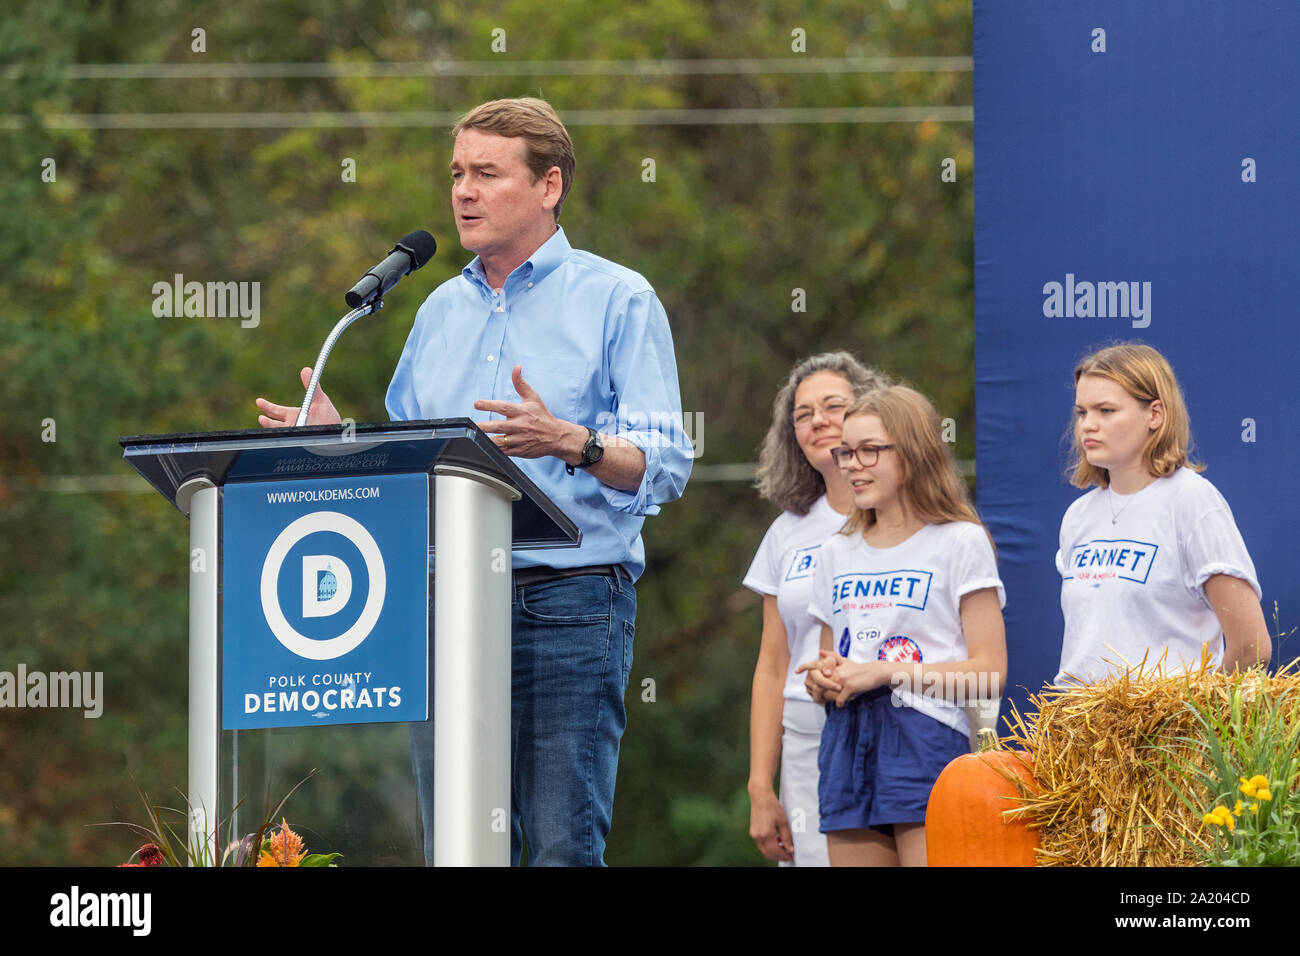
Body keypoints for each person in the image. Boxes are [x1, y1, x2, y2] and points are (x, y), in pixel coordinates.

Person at [256, 97, 693, 866]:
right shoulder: (436, 311)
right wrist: (338, 442)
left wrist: (573, 441)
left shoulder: (617, 298)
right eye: (457, 173)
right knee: (460, 848)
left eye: (487, 174)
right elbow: (408, 466)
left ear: (549, 185)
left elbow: (665, 461)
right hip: (449, 607)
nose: (462, 191)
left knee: (559, 849)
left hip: (569, 600)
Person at [796, 385, 1006, 867]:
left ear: (914, 452)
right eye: (845, 451)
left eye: (869, 450)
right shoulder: (835, 552)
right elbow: (832, 668)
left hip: (928, 739)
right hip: (847, 742)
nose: (852, 464)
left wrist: (885, 673)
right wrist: (822, 680)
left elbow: (989, 674)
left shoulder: (960, 541)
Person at [743, 353, 889, 866]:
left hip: (896, 731)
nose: (818, 421)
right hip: (805, 746)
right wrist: (761, 786)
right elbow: (771, 665)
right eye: (803, 414)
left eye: (833, 406)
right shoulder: (786, 531)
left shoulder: (913, 518)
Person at [1056, 342, 1269, 683]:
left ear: (1155, 414)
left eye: (1106, 411)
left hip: (1168, 730)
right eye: (1082, 412)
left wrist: (1192, 718)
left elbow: (1251, 646)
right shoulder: (1077, 517)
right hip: (1082, 728)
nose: (1088, 425)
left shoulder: (1191, 500)